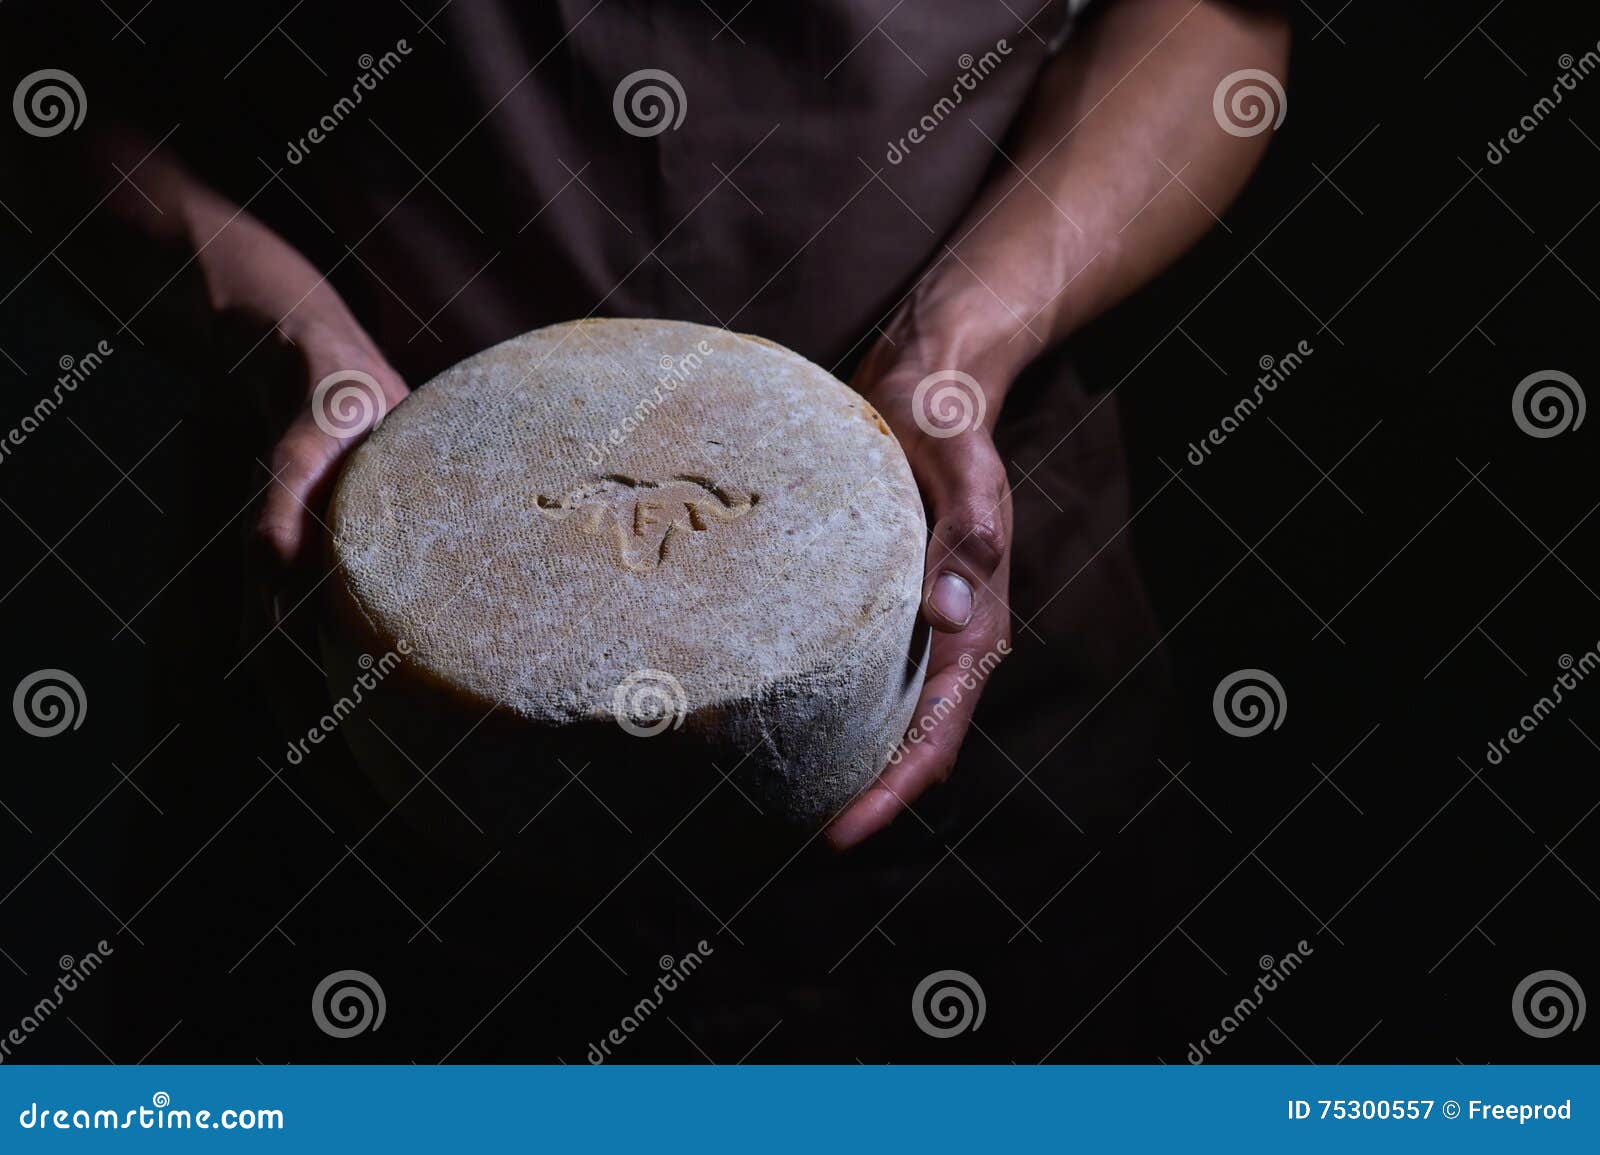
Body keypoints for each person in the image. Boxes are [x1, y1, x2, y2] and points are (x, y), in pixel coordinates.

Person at [15, 0, 1290, 1058]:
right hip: (367, 693)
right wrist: (283, 331)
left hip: (968, 680)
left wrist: (959, 347)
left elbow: (1215, 21)